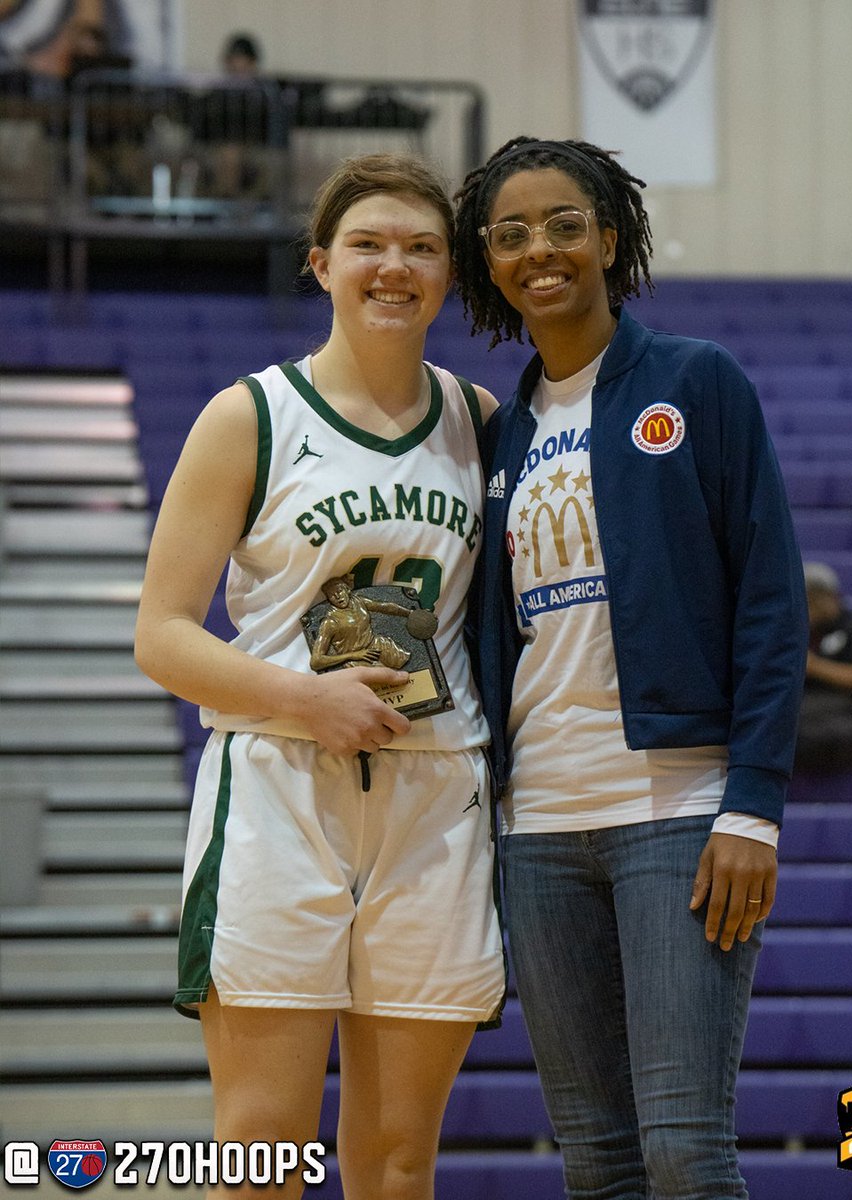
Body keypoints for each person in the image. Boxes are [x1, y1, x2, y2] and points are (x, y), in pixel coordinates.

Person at [135, 152, 504, 1200]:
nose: (396, 266)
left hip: (434, 796)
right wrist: (306, 695)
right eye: (369, 245)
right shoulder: (250, 416)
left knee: (396, 1162)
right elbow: (161, 634)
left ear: (449, 272)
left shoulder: (479, 421)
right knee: (263, 1150)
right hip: (282, 788)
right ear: (321, 263)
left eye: (422, 248)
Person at [453, 136, 808, 1199]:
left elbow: (769, 602)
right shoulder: (500, 432)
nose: (540, 250)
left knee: (684, 1151)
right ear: (488, 259)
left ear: (610, 236)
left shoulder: (697, 380)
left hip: (681, 814)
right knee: (596, 1161)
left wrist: (752, 807)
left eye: (565, 224)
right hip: (538, 834)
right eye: (511, 234)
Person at [794, 561, 852, 774]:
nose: (810, 607)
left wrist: (814, 666)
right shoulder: (796, 629)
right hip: (807, 712)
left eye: (815, 599)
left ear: (832, 597)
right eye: (806, 600)